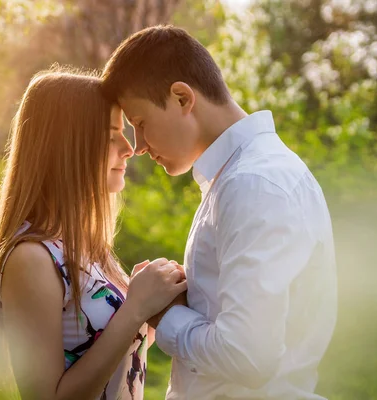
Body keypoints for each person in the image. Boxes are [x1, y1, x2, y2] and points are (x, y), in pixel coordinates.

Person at [101, 25, 338, 400]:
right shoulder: (236, 179)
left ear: (182, 98)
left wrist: (164, 315)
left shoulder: (255, 185)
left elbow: (248, 357)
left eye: (141, 124)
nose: (140, 146)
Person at [0, 68, 187, 400]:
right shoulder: (32, 258)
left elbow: (107, 355)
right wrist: (134, 307)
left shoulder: (86, 246)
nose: (129, 147)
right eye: (111, 136)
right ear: (66, 147)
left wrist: (152, 304)